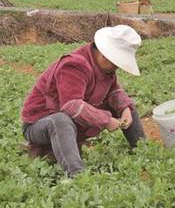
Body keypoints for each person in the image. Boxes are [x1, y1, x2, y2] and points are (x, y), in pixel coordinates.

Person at [20, 25, 146, 177]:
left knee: (125, 106)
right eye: (116, 62)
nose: (117, 67)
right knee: (60, 120)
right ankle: (77, 175)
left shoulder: (105, 68)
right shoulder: (75, 65)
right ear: (105, 55)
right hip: (39, 125)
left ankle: (143, 152)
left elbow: (114, 91)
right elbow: (71, 105)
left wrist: (125, 109)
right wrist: (106, 120)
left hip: (71, 124)